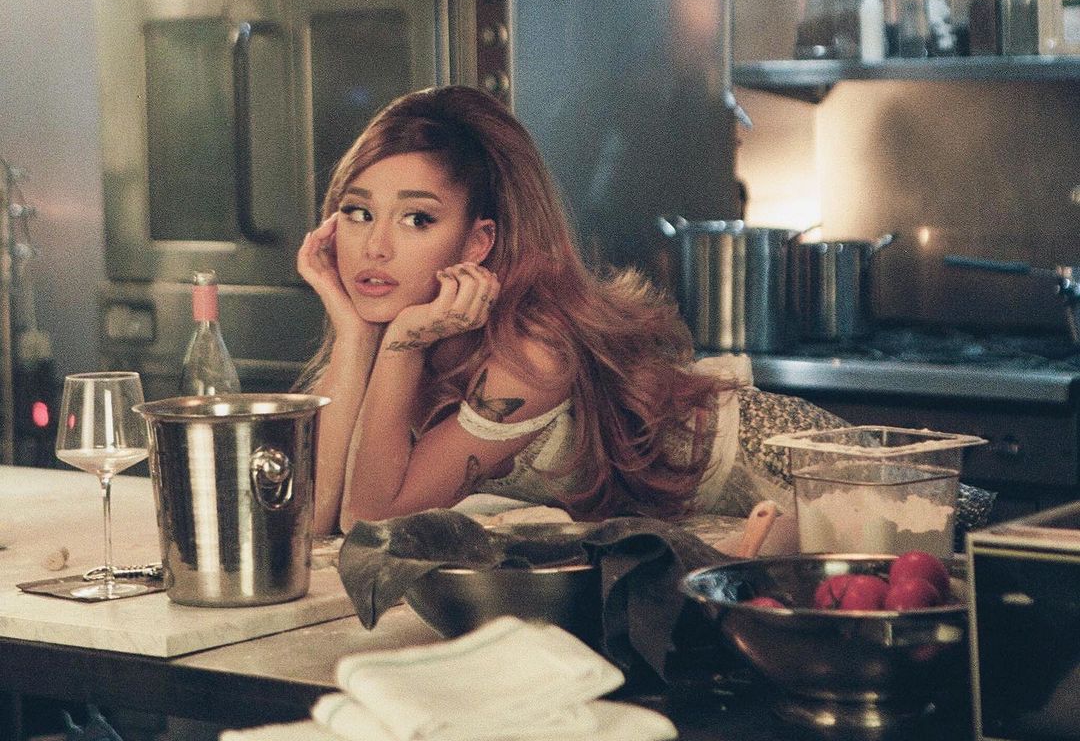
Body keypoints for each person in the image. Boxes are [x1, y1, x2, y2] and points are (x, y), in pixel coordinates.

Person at [296, 85, 985, 537]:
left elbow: (370, 521)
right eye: (357, 212)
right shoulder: (406, 330)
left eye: (416, 219)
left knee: (984, 551)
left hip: (801, 473)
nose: (374, 245)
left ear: (479, 240)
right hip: (729, 528)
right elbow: (316, 523)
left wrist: (398, 346)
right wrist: (355, 336)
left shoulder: (529, 349)